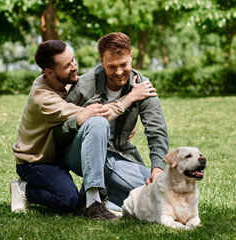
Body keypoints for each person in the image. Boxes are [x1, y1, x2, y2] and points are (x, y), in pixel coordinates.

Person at [10, 40, 157, 220]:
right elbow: (97, 115)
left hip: (58, 157)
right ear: (49, 72)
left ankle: (98, 197)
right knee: (68, 201)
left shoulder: (64, 82)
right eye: (67, 66)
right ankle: (23, 188)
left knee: (146, 188)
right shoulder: (44, 99)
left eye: (73, 60)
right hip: (36, 162)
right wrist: (130, 98)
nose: (74, 67)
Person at [55, 32, 170, 217]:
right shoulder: (84, 86)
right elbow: (58, 131)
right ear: (101, 60)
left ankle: (101, 194)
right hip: (79, 154)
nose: (118, 72)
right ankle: (93, 202)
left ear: (131, 56)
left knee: (159, 194)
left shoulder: (143, 87)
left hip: (116, 156)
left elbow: (157, 133)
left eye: (124, 64)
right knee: (98, 121)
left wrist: (157, 171)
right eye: (112, 66)